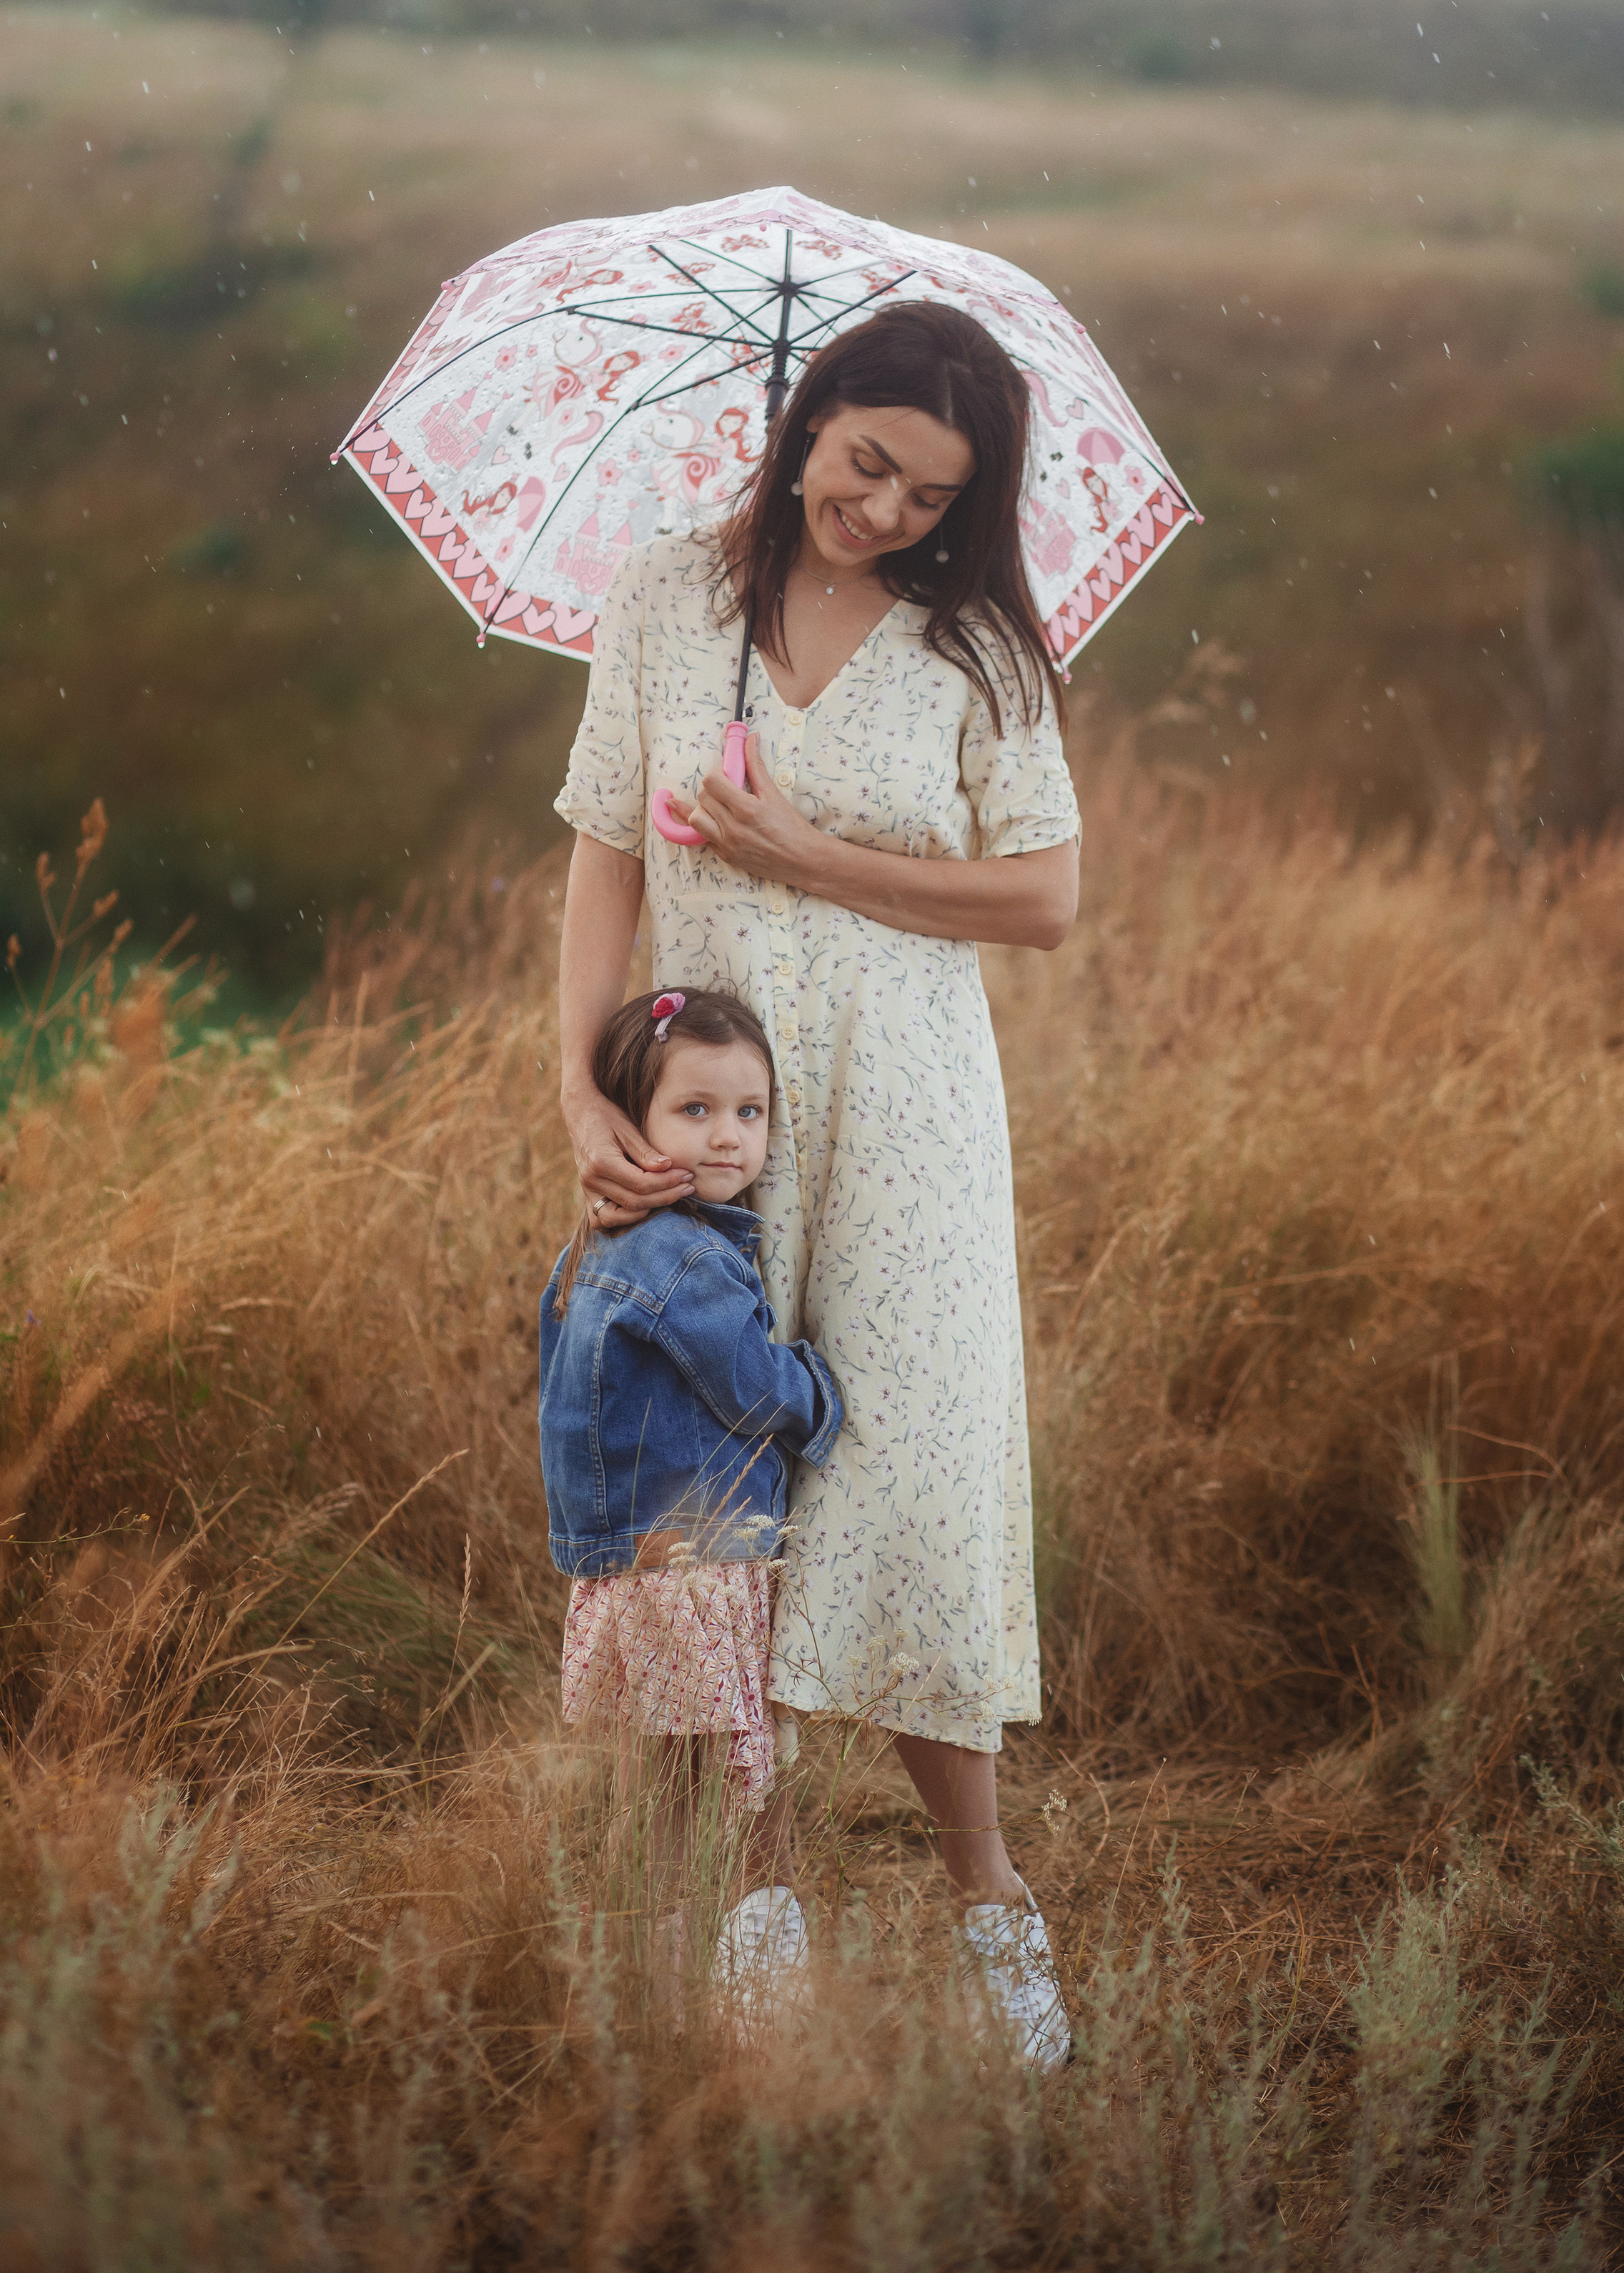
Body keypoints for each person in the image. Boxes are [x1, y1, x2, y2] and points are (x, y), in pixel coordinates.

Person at [555, 299, 1079, 2065]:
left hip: (911, 1114)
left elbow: (1044, 898)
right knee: (706, 1503)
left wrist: (812, 854)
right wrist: (577, 1092)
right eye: (865, 465)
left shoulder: (979, 650)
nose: (883, 514)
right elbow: (603, 860)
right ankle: (757, 1890)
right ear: (805, 421)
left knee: (919, 1479)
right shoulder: (666, 599)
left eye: (928, 495)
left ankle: (991, 1904)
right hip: (699, 1122)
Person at [539, 983, 842, 2025]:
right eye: (696, 1111)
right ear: (632, 1117)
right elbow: (757, 1389)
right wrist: (824, 1392)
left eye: (749, 1113)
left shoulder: (596, 1246)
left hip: (630, 1564)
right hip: (699, 1568)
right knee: (722, 1786)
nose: (728, 1138)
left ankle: (650, 1989)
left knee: (661, 1792)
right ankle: (728, 1995)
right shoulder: (691, 1261)